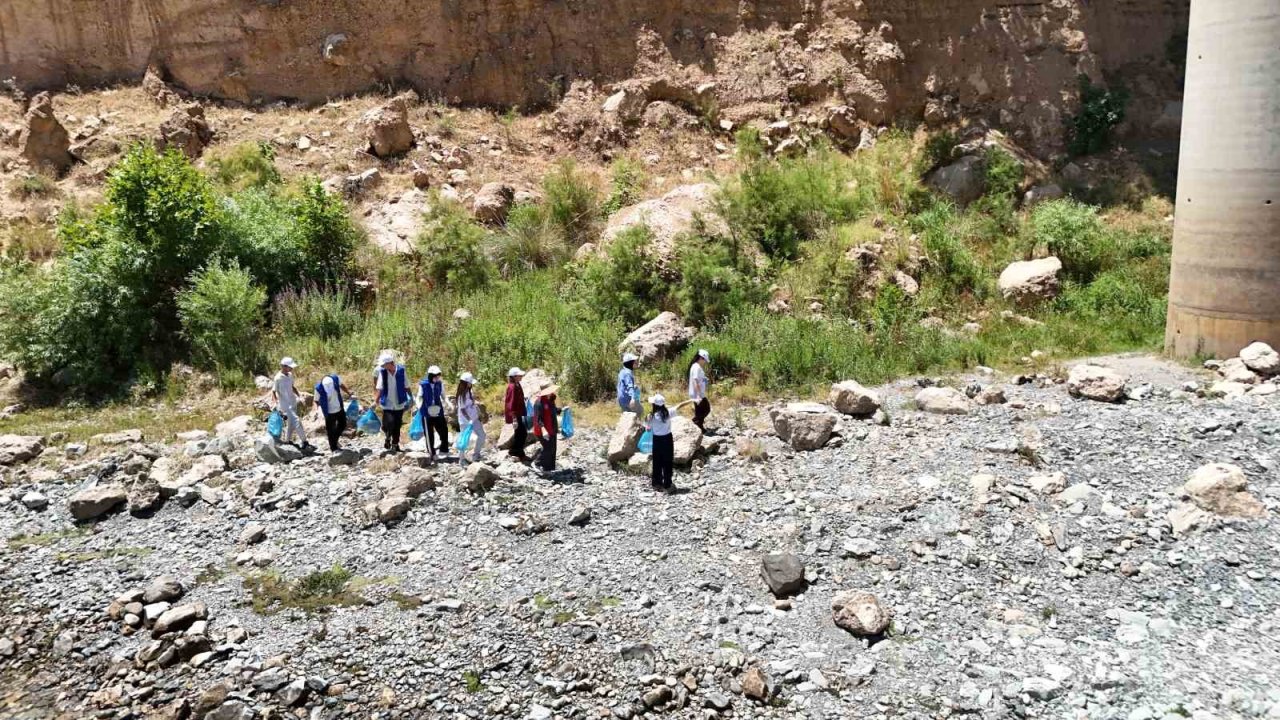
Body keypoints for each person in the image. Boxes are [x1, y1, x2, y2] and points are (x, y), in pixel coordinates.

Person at [272, 357, 314, 451]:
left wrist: (299, 396)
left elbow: (292, 387)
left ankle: (287, 441)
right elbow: (273, 391)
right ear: (284, 366)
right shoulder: (278, 378)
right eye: (290, 367)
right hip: (285, 405)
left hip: (293, 402)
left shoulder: (290, 375)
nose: (291, 369)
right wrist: (275, 403)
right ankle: (305, 442)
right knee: (297, 421)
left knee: (291, 424)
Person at [375, 352, 411, 452]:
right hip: (387, 403)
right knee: (388, 423)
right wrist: (376, 401)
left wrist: (411, 398)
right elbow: (380, 388)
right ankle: (387, 437)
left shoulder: (401, 371)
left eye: (384, 364)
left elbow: (406, 385)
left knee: (397, 425)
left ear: (390, 363)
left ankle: (395, 444)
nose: (383, 366)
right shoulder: (383, 372)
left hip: (399, 403)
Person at [417, 365, 450, 459]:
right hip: (426, 412)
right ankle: (432, 453)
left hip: (438, 410)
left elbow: (443, 395)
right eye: (435, 376)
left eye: (438, 376)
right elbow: (419, 397)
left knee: (444, 429)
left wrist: (447, 403)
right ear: (430, 376)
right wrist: (419, 406)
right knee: (429, 433)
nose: (437, 378)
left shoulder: (440, 384)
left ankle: (444, 449)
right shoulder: (423, 384)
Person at [314, 372, 352, 452]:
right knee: (330, 430)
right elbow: (316, 401)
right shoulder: (319, 388)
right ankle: (333, 448)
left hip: (339, 408)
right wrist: (317, 410)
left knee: (342, 424)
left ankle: (334, 440)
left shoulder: (335, 379)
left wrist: (349, 393)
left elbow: (341, 385)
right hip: (329, 412)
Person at [455, 371, 486, 465]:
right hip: (465, 421)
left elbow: (472, 404)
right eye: (470, 382)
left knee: (482, 435)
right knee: (464, 439)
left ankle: (476, 455)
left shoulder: (469, 391)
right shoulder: (461, 395)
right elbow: (463, 410)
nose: (471, 384)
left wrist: (477, 415)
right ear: (465, 382)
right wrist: (469, 420)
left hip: (474, 418)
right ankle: (461, 459)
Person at [647, 394, 675, 493]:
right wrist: (690, 400)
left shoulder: (651, 416)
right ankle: (667, 483)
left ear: (654, 405)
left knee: (657, 461)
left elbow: (648, 428)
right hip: (667, 439)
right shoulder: (669, 412)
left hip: (657, 440)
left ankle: (657, 482)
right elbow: (680, 406)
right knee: (668, 461)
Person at [531, 383, 561, 472]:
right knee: (548, 448)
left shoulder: (551, 399)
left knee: (553, 449)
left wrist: (561, 410)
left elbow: (554, 411)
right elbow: (538, 419)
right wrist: (544, 431)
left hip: (552, 428)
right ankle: (537, 462)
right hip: (543, 430)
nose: (553, 391)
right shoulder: (538, 402)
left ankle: (549, 468)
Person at [504, 367, 530, 462]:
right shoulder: (512, 387)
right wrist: (514, 418)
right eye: (519, 375)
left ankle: (518, 452)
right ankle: (515, 452)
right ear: (514, 376)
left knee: (520, 433)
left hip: (518, 413)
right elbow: (511, 403)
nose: (521, 376)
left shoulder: (517, 384)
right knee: (522, 433)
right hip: (515, 414)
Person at [688, 349, 711, 431]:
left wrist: (704, 379)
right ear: (701, 358)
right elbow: (695, 380)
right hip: (697, 394)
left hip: (698, 393)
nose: (705, 362)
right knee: (706, 409)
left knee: (700, 411)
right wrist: (698, 395)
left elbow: (699, 379)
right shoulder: (696, 367)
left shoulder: (696, 366)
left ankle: (700, 427)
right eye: (705, 360)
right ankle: (694, 423)